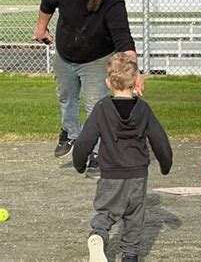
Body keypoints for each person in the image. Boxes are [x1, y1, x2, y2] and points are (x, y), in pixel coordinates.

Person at [33, 0, 143, 178]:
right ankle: (71, 133)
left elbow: (123, 38)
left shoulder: (114, 0)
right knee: (66, 97)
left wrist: (134, 71)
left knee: (95, 105)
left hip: (96, 57)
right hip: (65, 54)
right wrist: (40, 29)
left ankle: (96, 154)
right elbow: (47, 3)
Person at [72, 52, 173, 262]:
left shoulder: (101, 108)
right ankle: (130, 255)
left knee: (106, 211)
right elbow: (159, 140)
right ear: (136, 81)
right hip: (137, 175)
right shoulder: (143, 109)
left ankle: (98, 235)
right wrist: (165, 164)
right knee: (134, 216)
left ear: (108, 82)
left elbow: (84, 141)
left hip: (110, 174)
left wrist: (79, 163)